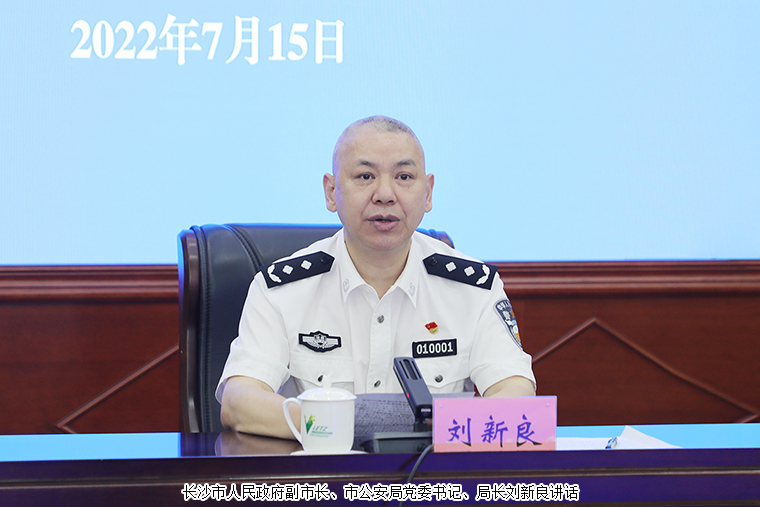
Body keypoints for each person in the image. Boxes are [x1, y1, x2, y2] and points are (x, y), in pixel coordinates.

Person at [218, 116, 535, 439]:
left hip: (431, 471)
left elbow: (516, 392)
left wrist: (442, 430)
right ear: (331, 192)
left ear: (427, 193)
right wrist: (337, 427)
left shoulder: (474, 289)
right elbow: (238, 402)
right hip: (320, 469)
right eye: (365, 176)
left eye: (404, 177)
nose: (385, 194)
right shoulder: (281, 289)